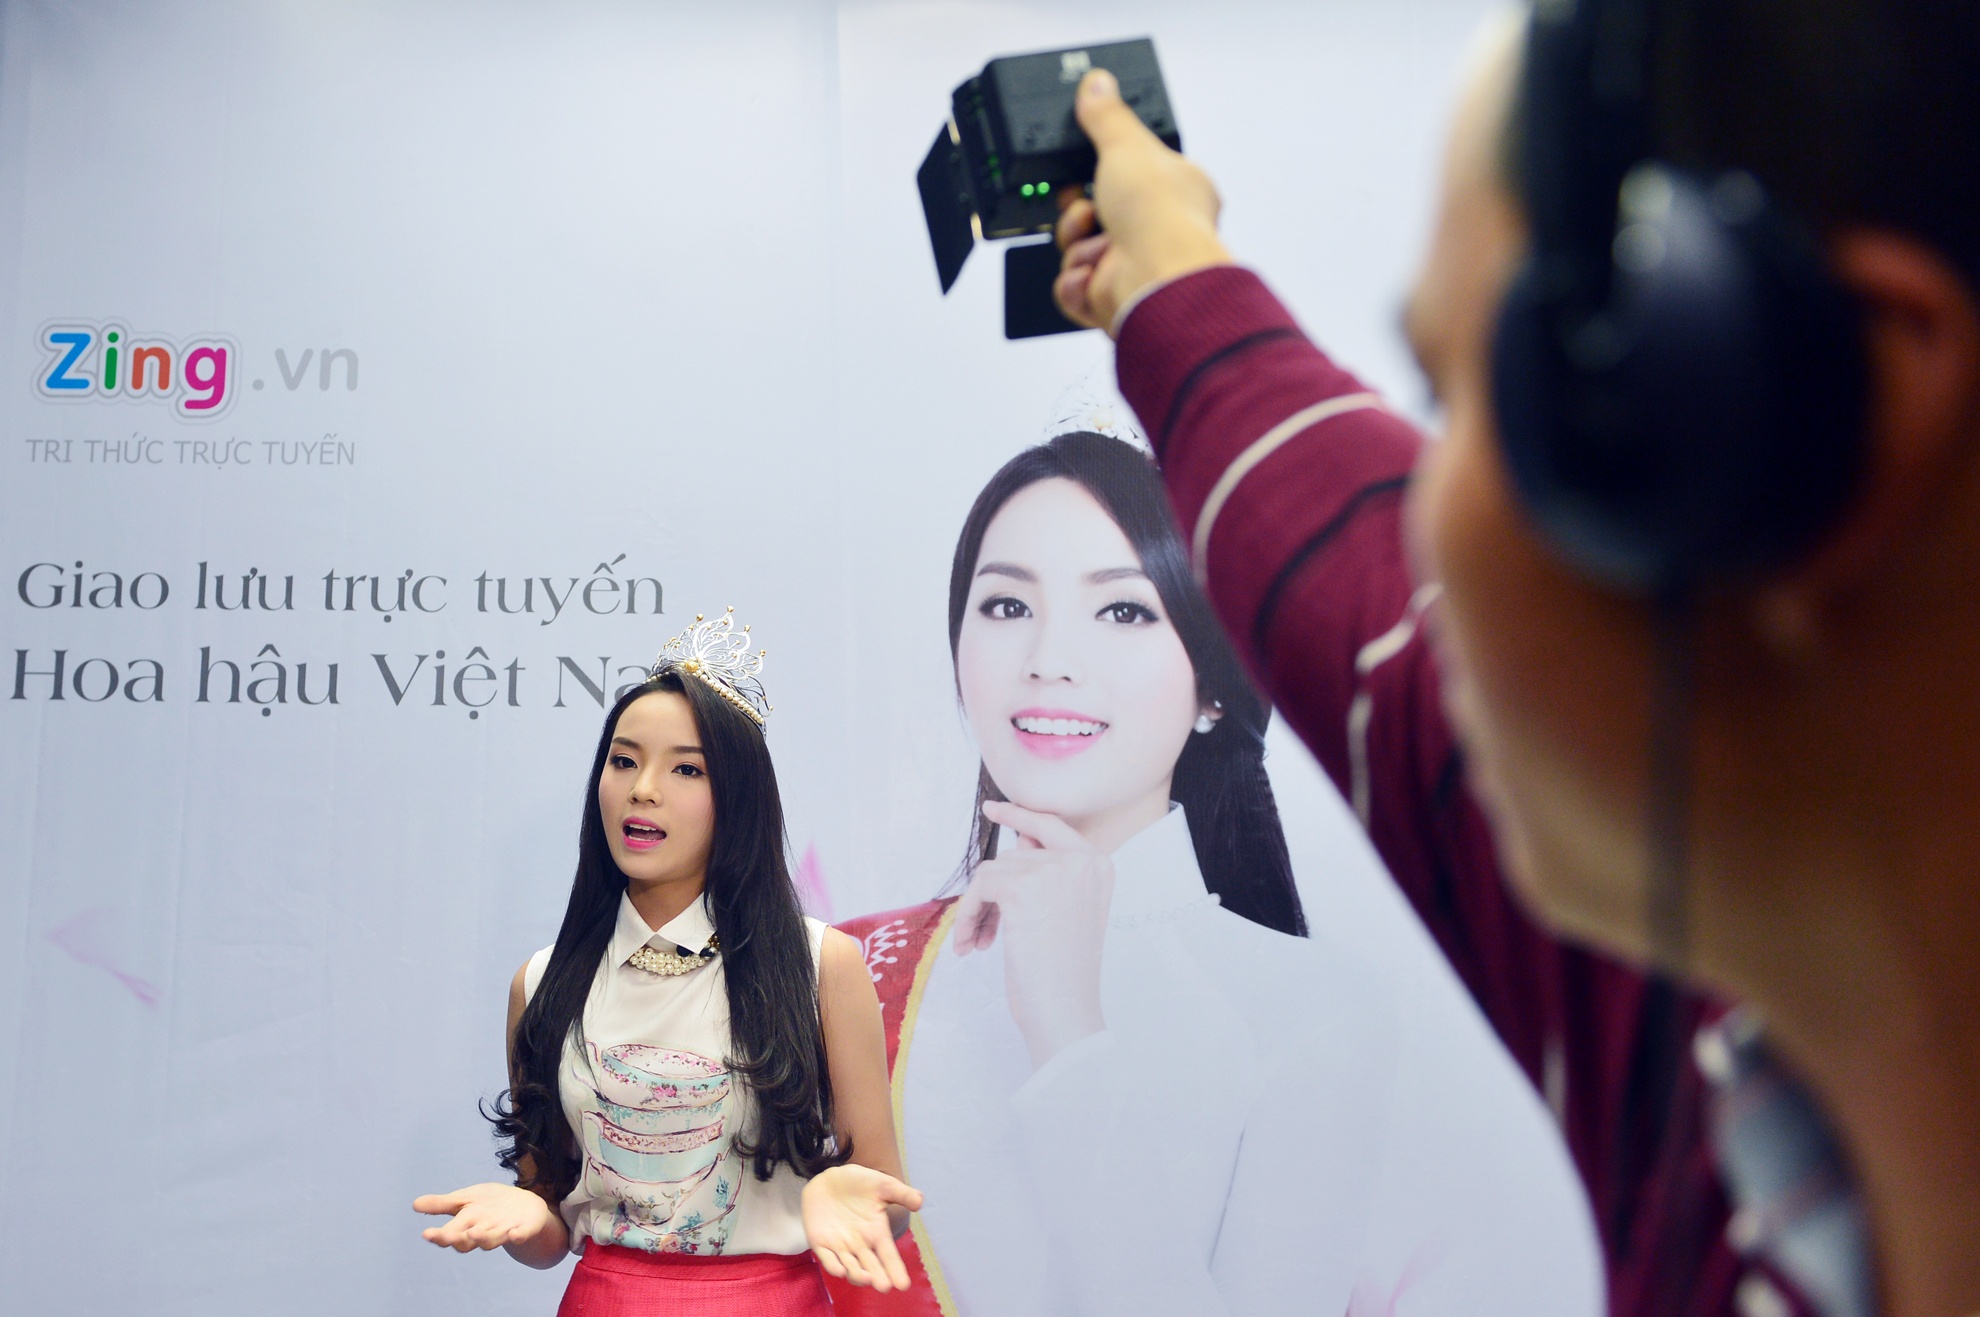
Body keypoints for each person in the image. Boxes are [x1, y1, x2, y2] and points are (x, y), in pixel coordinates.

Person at [1052, 1, 1980, 1313]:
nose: (1427, 513)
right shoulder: (1730, 975)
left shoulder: (1680, 1005)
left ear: (1838, 421)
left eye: (1467, 394)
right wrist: (1167, 282)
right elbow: (1343, 578)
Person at [828, 432, 1602, 1315]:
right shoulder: (853, 970)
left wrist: (1069, 1036)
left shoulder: (1320, 1012)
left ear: (1214, 684)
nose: (1048, 657)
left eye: (1123, 611)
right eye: (1006, 605)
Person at [413, 610, 923, 1314]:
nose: (643, 788)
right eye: (624, 760)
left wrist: (848, 1199)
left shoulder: (819, 964)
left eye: (686, 768)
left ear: (737, 799)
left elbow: (887, 1201)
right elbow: (550, 1219)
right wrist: (528, 1218)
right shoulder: (541, 983)